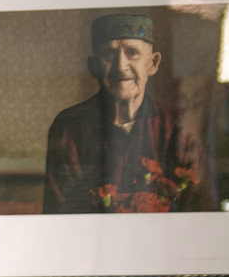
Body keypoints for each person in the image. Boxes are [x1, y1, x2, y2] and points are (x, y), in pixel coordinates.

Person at [41, 13, 211, 215]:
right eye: (109, 54)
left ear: (153, 64)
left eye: (132, 53)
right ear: (93, 66)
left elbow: (200, 207)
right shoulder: (70, 126)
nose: (121, 67)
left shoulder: (177, 125)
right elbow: (63, 214)